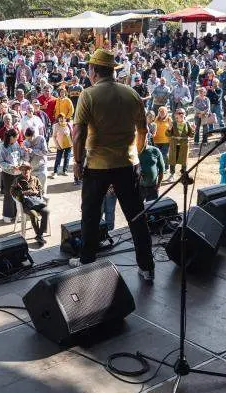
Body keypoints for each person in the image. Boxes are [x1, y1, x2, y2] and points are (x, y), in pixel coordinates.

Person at [72, 48, 155, 281]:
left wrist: (78, 162)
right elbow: (144, 131)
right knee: (136, 216)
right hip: (126, 164)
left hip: (97, 165)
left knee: (90, 215)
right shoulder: (131, 94)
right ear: (112, 70)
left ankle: (87, 263)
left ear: (93, 71)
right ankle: (147, 266)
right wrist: (135, 155)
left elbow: (77, 134)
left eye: (89, 68)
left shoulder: (88, 95)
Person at [11, 160, 49, 245]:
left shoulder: (35, 179)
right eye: (23, 170)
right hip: (26, 204)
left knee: (46, 212)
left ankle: (39, 235)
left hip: (37, 202)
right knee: (33, 214)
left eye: (27, 169)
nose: (25, 171)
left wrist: (36, 192)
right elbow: (12, 192)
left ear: (30, 170)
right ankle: (39, 235)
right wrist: (23, 193)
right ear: (21, 171)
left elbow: (41, 190)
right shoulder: (18, 180)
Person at [0, 128, 24, 222]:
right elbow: (0, 162)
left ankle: (16, 214)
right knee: (9, 195)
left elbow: (20, 156)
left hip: (18, 173)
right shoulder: (2, 146)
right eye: (17, 137)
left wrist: (20, 163)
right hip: (8, 174)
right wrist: (11, 167)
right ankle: (7, 216)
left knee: (17, 194)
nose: (18, 139)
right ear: (11, 137)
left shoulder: (16, 144)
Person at [166, 109, 194, 180]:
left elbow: (191, 135)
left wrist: (193, 129)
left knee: (184, 161)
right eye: (179, 113)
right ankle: (172, 175)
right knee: (172, 160)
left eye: (182, 113)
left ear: (185, 115)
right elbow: (167, 134)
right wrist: (169, 128)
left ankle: (183, 175)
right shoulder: (173, 123)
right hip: (174, 145)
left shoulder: (187, 124)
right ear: (176, 115)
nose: (181, 114)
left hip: (184, 145)